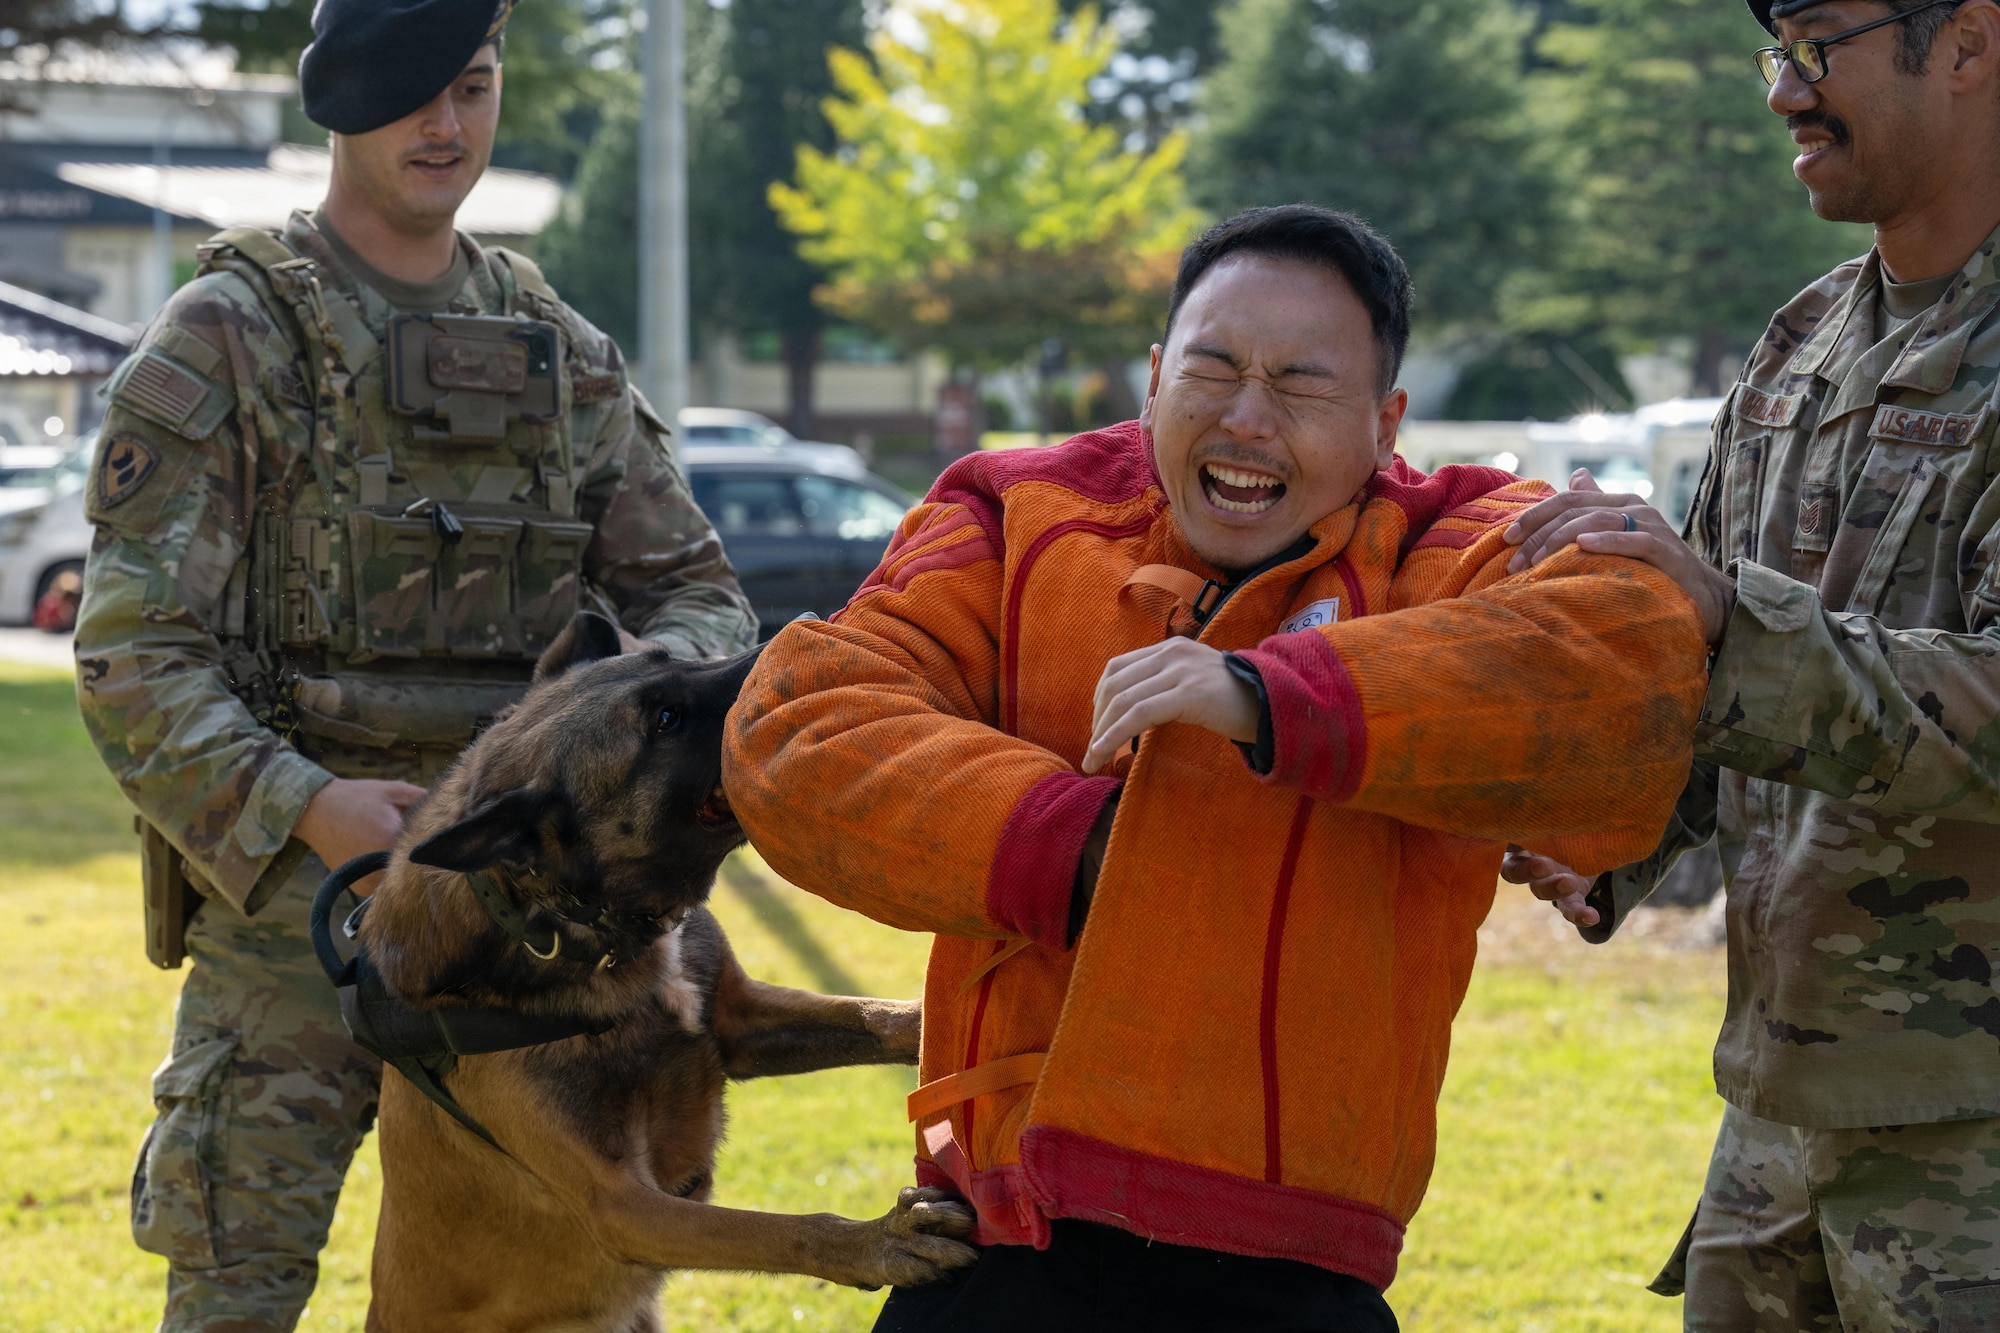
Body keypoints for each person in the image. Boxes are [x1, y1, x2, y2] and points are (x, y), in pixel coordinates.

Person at [721, 204, 1710, 1331]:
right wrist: (1085, 847)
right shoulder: (1013, 512)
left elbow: (1628, 661)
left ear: (1385, 422)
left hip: (1291, 1267)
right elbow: (795, 727)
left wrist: (1268, 694)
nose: (1247, 417)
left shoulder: (1461, 538)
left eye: (1300, 384)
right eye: (1213, 368)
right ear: (1154, 381)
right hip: (991, 1239)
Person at [74, 1, 757, 1327]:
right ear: (338, 101)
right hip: (302, 915)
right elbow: (132, 653)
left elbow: (698, 595)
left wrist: (634, 714)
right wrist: (310, 805)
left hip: (543, 946)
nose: (446, 125)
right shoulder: (233, 336)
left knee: (582, 1296)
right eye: (410, 93)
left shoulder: (557, 351)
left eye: (474, 87)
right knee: (235, 1293)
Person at [1502, 0, 2000, 1325]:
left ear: (1967, 44)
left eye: (1819, 44)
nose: (1784, 93)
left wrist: (1729, 618)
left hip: (1973, 1152)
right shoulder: (1799, 345)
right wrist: (1613, 838)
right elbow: (1702, 667)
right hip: (1771, 1126)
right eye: (1776, 51)